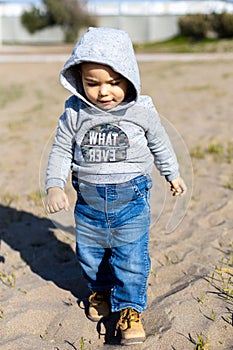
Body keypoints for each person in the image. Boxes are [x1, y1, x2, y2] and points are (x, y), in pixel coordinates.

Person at [45, 27, 186, 345]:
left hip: (132, 197)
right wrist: (55, 185)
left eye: (114, 82)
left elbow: (160, 142)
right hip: (89, 200)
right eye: (92, 83)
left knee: (132, 256)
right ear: (78, 77)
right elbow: (60, 149)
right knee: (91, 254)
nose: (103, 92)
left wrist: (171, 173)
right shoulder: (75, 111)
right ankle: (100, 290)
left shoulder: (141, 109)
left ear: (130, 78)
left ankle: (129, 309)